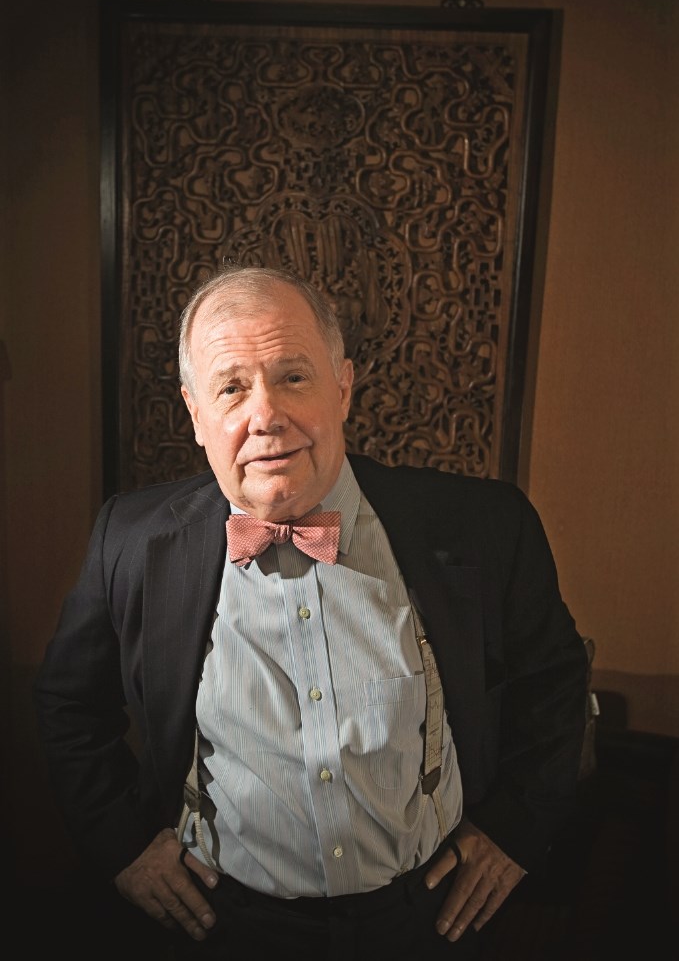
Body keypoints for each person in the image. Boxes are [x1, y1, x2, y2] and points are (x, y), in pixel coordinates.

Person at [35, 264, 588, 961]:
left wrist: (513, 830)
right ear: (195, 413)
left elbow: (554, 683)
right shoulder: (130, 541)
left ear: (343, 387)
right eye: (231, 387)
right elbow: (69, 704)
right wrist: (121, 845)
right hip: (221, 926)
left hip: (428, 921)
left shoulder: (486, 525)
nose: (265, 415)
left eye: (293, 376)